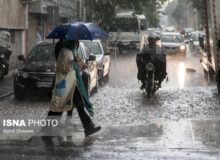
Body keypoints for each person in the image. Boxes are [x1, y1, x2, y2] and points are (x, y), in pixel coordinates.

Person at [47, 40, 101, 137]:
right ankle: (48, 127)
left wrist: (78, 63)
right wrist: (74, 64)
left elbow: (74, 67)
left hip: (73, 84)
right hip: (65, 84)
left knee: (79, 105)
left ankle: (88, 127)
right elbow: (63, 68)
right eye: (76, 44)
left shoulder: (72, 52)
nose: (77, 46)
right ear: (72, 43)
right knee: (59, 106)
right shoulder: (65, 52)